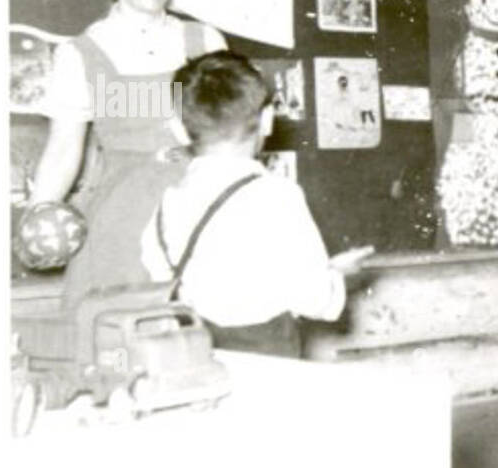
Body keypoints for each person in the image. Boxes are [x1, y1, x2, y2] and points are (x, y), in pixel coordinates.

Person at [29, 0, 227, 302]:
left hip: (200, 206)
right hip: (122, 220)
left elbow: (237, 129)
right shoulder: (80, 54)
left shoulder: (206, 41)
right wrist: (38, 216)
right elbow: (63, 150)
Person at [139, 51, 374, 358]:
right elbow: (312, 298)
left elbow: (161, 275)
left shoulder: (170, 200)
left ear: (179, 128)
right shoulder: (277, 195)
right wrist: (335, 275)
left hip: (194, 354)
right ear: (267, 119)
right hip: (267, 355)